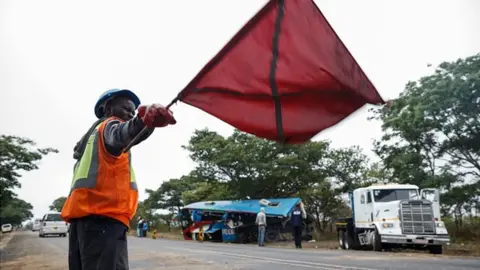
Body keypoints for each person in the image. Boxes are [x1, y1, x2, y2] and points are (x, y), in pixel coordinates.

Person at [61, 88, 176, 270]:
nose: (130, 113)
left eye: (133, 111)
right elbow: (122, 133)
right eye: (125, 108)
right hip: (104, 220)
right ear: (108, 110)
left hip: (82, 223)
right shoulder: (109, 126)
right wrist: (143, 120)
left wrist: (145, 123)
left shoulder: (90, 141)